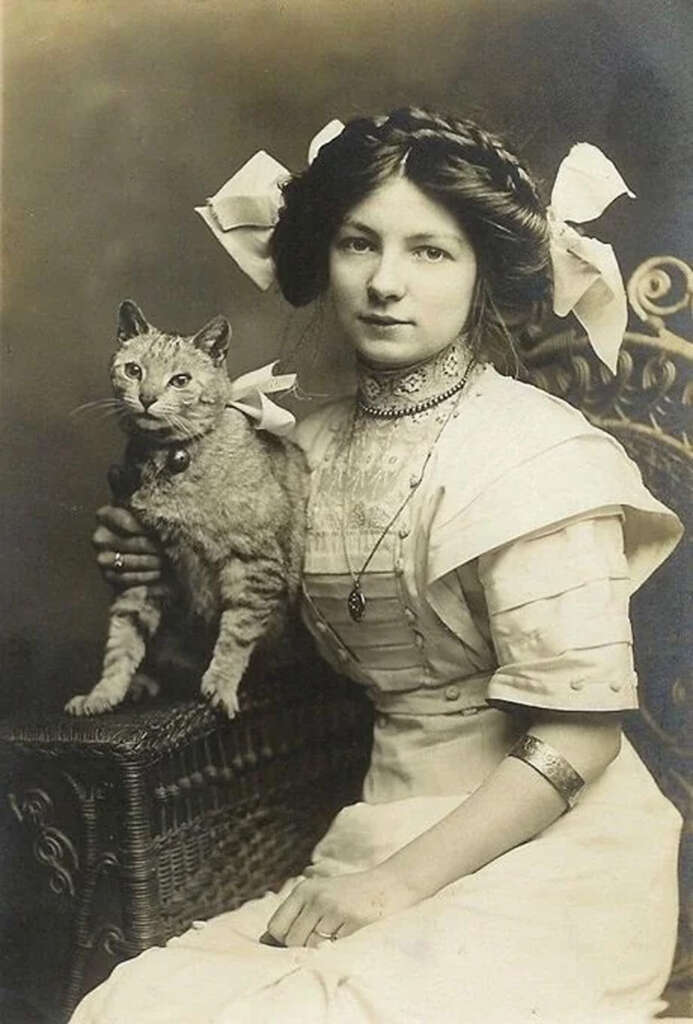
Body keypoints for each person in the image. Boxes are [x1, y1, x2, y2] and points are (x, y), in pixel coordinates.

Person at [71, 108, 683, 1023]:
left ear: (480, 272)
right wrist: (160, 568)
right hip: (369, 832)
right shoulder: (300, 444)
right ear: (323, 256)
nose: (386, 284)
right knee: (139, 1010)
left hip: (550, 855)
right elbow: (273, 649)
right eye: (360, 244)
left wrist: (392, 888)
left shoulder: (533, 455)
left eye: (430, 252)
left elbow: (582, 736)